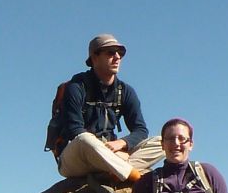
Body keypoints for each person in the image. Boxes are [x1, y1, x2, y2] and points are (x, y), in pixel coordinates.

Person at [52, 34, 164, 184]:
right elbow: (74, 129)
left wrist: (122, 144)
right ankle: (134, 176)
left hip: (111, 153)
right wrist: (108, 152)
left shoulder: (125, 91)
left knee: (164, 141)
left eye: (120, 53)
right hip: (77, 158)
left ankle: (110, 174)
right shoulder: (76, 87)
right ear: (94, 58)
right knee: (85, 139)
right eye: (110, 52)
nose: (117, 57)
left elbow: (141, 130)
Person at [129, 118, 228, 193]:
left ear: (190, 145)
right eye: (170, 138)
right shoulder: (146, 182)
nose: (176, 143)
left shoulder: (208, 173)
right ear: (162, 144)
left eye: (182, 139)